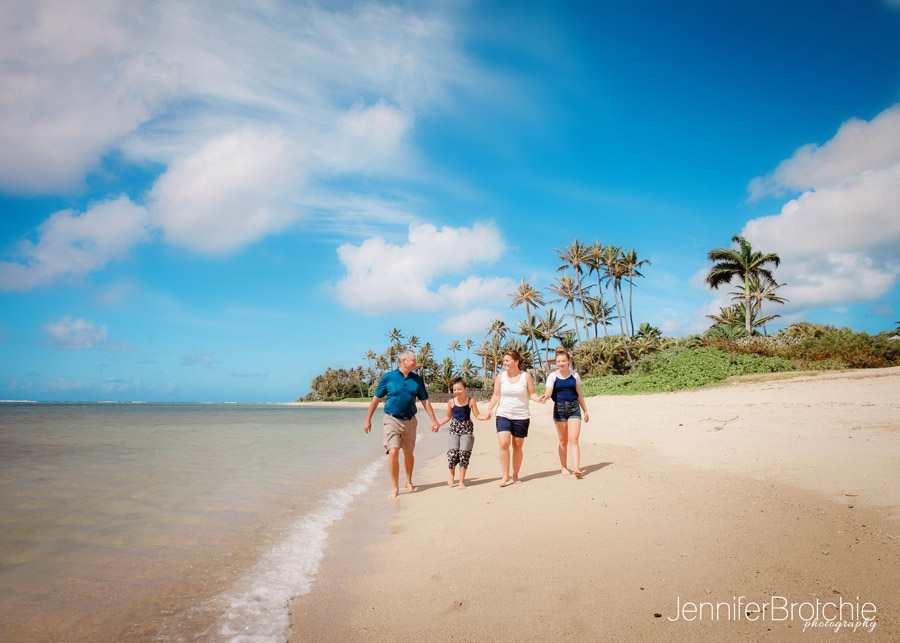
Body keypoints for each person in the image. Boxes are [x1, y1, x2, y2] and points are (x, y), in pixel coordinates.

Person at [364, 349, 439, 499]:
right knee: (393, 451)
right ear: (403, 361)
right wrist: (368, 419)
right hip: (391, 419)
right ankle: (395, 487)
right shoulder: (388, 378)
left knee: (409, 453)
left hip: (410, 420)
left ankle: (409, 481)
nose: (416, 363)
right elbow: (376, 399)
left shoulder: (417, 379)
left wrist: (433, 419)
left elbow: (425, 401)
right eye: (413, 360)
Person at [485, 349, 544, 487]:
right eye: (504, 360)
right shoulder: (501, 377)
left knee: (517, 445)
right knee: (504, 443)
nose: (504, 363)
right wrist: (490, 408)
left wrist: (539, 399)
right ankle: (505, 476)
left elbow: (532, 394)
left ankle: (515, 474)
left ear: (516, 362)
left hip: (521, 415)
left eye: (507, 360)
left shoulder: (526, 377)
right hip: (503, 414)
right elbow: (496, 395)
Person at [541, 347, 590, 478]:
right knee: (563, 441)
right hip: (559, 409)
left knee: (573, 439)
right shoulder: (552, 376)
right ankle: (564, 467)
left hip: (574, 408)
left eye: (563, 361)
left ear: (568, 361)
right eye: (558, 362)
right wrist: (545, 396)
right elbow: (549, 390)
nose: (561, 363)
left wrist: (585, 410)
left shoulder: (575, 375)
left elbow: (579, 394)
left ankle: (577, 468)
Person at [436, 377, 487, 489]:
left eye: (459, 389)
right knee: (453, 454)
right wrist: (438, 424)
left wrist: (485, 417)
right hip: (454, 429)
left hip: (467, 429)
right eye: (455, 390)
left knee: (464, 455)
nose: (457, 392)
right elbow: (448, 416)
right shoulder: (451, 402)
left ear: (465, 389)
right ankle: (452, 476)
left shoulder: (470, 401)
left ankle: (461, 481)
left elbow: (477, 415)